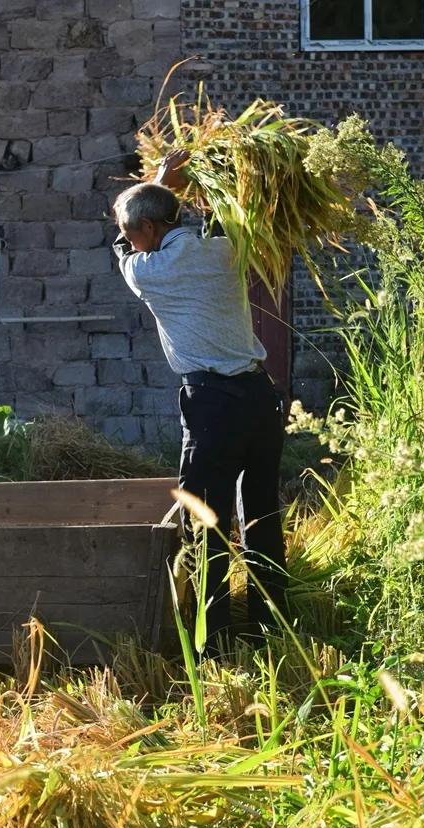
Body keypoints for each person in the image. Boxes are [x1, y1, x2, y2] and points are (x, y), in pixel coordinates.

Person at [112, 151, 287, 651]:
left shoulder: (149, 271)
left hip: (212, 405)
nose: (128, 240)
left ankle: (215, 638)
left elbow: (120, 252)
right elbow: (212, 219)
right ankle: (269, 627)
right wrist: (179, 190)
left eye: (131, 231)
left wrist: (161, 181)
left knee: (205, 522)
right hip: (260, 397)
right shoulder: (227, 247)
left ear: (146, 228)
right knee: (261, 517)